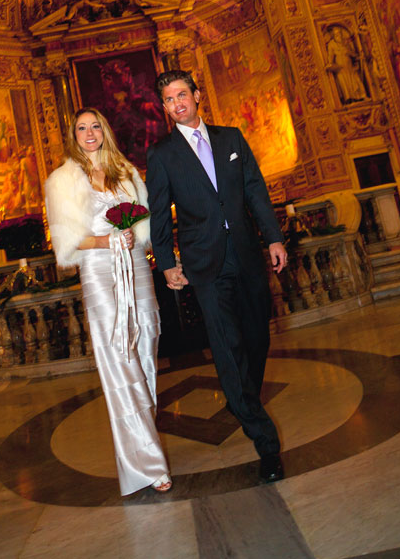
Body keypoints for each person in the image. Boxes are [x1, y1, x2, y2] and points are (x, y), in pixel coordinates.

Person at [146, 70, 288, 484]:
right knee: (226, 346)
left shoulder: (231, 138)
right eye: (169, 99)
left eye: (182, 95)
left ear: (197, 95)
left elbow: (256, 191)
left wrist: (274, 239)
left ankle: (240, 396)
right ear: (166, 108)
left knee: (257, 337)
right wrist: (167, 263)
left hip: (245, 255)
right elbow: (159, 212)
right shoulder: (162, 154)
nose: (177, 103)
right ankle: (266, 442)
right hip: (204, 265)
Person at [44, 107, 171, 496]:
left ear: (104, 131)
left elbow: (142, 221)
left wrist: (133, 237)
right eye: (81, 128)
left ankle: (144, 435)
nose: (89, 133)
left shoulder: (126, 171)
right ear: (73, 135)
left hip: (135, 267)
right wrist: (106, 241)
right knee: (119, 358)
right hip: (99, 272)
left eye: (95, 126)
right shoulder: (63, 179)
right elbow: (67, 240)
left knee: (146, 349)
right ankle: (148, 464)